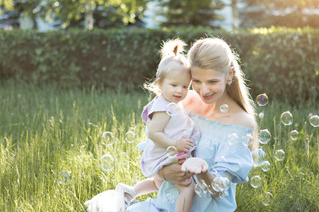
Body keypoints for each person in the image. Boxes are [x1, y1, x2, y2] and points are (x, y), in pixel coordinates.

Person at [126, 37, 258, 212]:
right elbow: (156, 149)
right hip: (167, 203)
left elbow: (218, 190)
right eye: (196, 81)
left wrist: (201, 170)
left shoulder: (240, 122)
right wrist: (165, 172)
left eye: (212, 81)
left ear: (229, 75)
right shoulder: (183, 102)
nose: (203, 90)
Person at [84, 39, 206, 212]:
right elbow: (154, 133)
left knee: (158, 183)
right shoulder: (164, 109)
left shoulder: (169, 102)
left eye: (185, 86)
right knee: (187, 187)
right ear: (160, 84)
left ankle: (130, 192)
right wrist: (176, 144)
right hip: (166, 153)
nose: (180, 90)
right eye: (174, 85)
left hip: (165, 152)